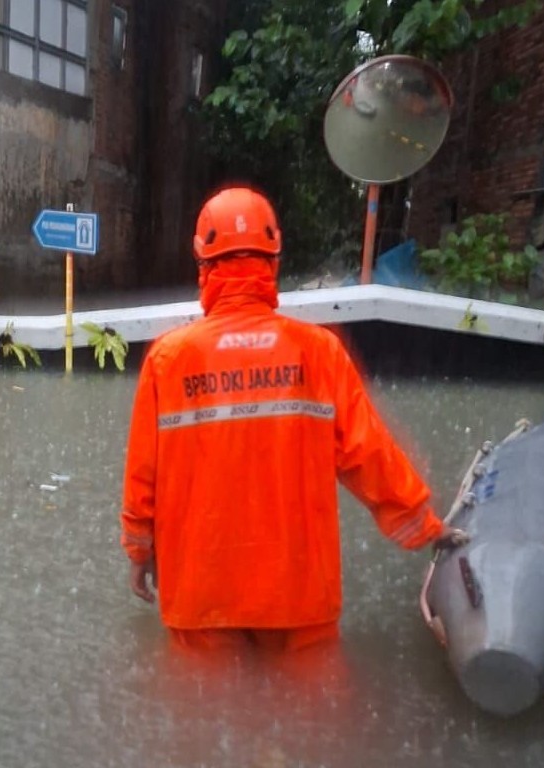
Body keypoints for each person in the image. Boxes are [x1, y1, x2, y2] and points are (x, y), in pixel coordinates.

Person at [120, 186, 465, 652]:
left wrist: (139, 553)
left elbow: (144, 478)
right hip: (297, 594)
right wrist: (426, 526)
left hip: (201, 594)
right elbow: (370, 456)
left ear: (203, 265)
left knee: (195, 720)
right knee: (311, 718)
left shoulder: (168, 359)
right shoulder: (319, 352)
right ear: (274, 259)